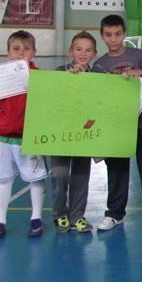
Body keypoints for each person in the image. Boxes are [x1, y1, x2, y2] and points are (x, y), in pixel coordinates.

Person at [92, 14, 142, 232]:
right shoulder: (100, 65)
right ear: (102, 36)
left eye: (118, 34)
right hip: (117, 126)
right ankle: (115, 214)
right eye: (108, 35)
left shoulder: (138, 55)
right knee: (116, 171)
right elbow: (97, 97)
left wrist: (141, 73)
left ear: (124, 33)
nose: (114, 39)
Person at [0, 30, 47, 242]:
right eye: (16, 49)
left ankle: (36, 218)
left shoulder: (41, 78)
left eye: (27, 49)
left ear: (34, 52)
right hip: (2, 140)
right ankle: (0, 221)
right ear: (8, 52)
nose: (21, 53)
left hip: (30, 138)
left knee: (35, 178)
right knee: (3, 180)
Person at [51, 31, 98, 234]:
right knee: (59, 174)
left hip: (84, 134)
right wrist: (68, 79)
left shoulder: (98, 77)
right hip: (60, 135)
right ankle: (60, 214)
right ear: (71, 51)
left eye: (88, 50)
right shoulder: (58, 72)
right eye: (79, 49)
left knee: (81, 175)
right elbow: (51, 98)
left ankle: (77, 216)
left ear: (94, 54)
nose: (83, 53)